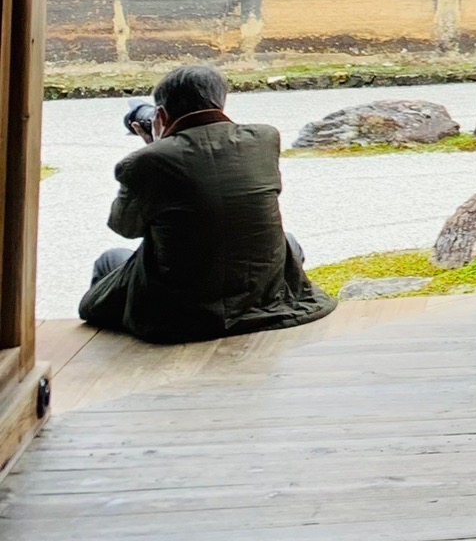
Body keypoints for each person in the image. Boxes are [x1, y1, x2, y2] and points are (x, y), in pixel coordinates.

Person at [79, 65, 335, 342]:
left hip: (183, 316)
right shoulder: (265, 138)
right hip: (264, 301)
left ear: (161, 115)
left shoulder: (145, 162)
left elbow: (126, 227)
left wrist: (153, 148)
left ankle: (121, 352)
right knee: (289, 242)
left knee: (110, 259)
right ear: (220, 101)